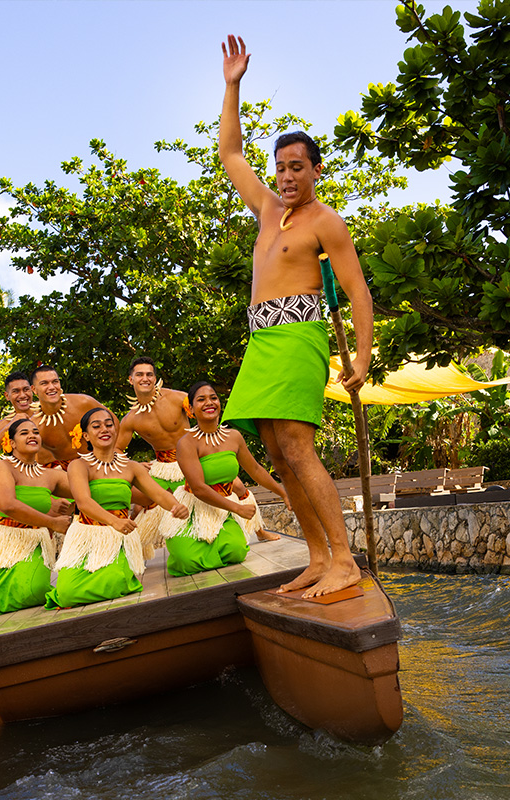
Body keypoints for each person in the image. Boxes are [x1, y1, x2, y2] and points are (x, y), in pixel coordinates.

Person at [218, 35, 373, 597]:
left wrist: (362, 356)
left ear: (315, 171)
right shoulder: (266, 209)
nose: (285, 177)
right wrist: (232, 86)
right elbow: (230, 153)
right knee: (277, 454)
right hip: (261, 341)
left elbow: (357, 291)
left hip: (299, 335)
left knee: (298, 447)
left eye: (296, 168)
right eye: (280, 168)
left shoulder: (325, 221)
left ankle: (345, 561)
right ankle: (316, 556)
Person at [44, 407, 188, 609]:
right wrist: (114, 521)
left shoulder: (131, 467)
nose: (104, 429)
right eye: (96, 426)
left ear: (115, 430)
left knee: (113, 582)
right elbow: (83, 502)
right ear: (86, 435)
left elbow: (158, 494)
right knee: (67, 593)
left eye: (109, 424)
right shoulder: (79, 466)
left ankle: (121, 576)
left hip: (118, 538)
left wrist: (176, 506)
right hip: (85, 535)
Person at [161, 381, 289, 577]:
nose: (209, 402)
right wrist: (237, 508)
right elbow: (199, 488)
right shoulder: (186, 443)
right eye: (201, 399)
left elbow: (255, 469)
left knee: (236, 551)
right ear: (191, 409)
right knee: (187, 561)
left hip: (222, 509)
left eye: (213, 398)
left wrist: (283, 493)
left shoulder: (233, 437)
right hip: (193, 510)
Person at [0, 418, 72, 620]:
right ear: (12, 443)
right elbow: (8, 505)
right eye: (24, 433)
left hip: (31, 542)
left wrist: (127, 468)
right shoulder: (0, 467)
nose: (32, 435)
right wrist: (52, 522)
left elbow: (89, 489)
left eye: (35, 432)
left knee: (33, 591)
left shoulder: (51, 475)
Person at [115, 357, 191, 556]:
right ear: (131, 379)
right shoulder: (131, 419)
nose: (145, 378)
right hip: (162, 467)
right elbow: (116, 450)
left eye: (149, 374)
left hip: (190, 461)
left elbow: (207, 416)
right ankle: (133, 551)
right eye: (139, 374)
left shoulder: (178, 398)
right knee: (133, 499)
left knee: (235, 486)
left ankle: (258, 530)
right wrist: (132, 464)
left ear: (155, 378)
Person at [29, 364, 118, 469]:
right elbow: (35, 459)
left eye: (55, 382)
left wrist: (112, 453)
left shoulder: (83, 402)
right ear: (34, 389)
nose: (52, 387)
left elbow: (115, 422)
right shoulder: (34, 426)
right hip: (64, 472)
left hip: (98, 462)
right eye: (44, 383)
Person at [0, 371, 57, 465]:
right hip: (25, 472)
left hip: (59, 469)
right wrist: (10, 426)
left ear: (32, 390)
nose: (22, 395)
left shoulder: (49, 409)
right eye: (16, 391)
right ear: (7, 396)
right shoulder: (5, 424)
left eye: (26, 389)